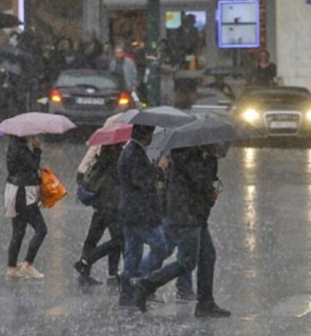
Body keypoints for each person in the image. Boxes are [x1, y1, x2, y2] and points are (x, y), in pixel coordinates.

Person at [130, 145, 231, 318]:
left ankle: (205, 302)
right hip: (185, 217)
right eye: (216, 144)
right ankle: (146, 284)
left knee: (207, 256)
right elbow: (199, 184)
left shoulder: (199, 157)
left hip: (194, 216)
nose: (220, 147)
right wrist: (210, 190)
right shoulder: (189, 156)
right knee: (187, 261)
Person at [117, 124, 173, 307]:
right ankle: (140, 281)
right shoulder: (134, 153)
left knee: (132, 253)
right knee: (161, 247)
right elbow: (142, 180)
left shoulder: (130, 150)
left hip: (130, 211)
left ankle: (127, 291)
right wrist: (159, 169)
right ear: (146, 135)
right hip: (140, 212)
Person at [73, 143, 124, 287]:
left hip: (101, 203)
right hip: (113, 204)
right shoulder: (119, 156)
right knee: (118, 240)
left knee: (92, 238)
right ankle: (98, 267)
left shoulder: (103, 154)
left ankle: (85, 272)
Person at [2, 135, 46, 280]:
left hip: (14, 191)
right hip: (24, 193)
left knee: (18, 232)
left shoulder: (12, 146)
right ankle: (27, 264)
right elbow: (33, 166)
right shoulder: (21, 149)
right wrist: (37, 149)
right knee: (41, 230)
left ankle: (11, 267)